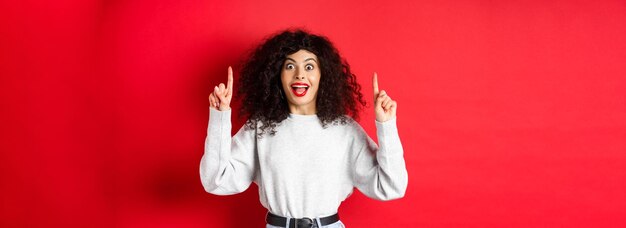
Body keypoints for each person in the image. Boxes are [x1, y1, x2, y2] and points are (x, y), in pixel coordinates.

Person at [200, 29, 408, 228]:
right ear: (277, 75)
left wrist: (386, 126)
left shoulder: (345, 130)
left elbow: (391, 187)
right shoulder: (260, 128)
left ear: (322, 75)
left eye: (309, 67)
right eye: (290, 66)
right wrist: (219, 117)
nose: (299, 75)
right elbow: (216, 181)